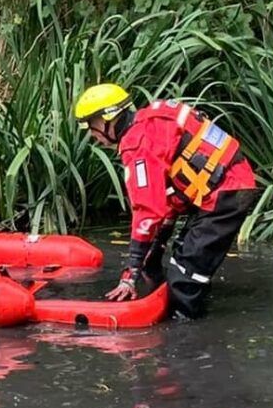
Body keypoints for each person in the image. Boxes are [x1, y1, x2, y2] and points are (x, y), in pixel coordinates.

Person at [74, 83, 259, 319]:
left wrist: (132, 270)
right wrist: (153, 249)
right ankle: (187, 303)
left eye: (91, 124)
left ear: (107, 119)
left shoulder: (138, 145)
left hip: (225, 192)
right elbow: (168, 196)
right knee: (180, 257)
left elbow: (148, 211)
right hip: (227, 182)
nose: (92, 133)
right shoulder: (152, 119)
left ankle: (184, 340)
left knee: (184, 276)